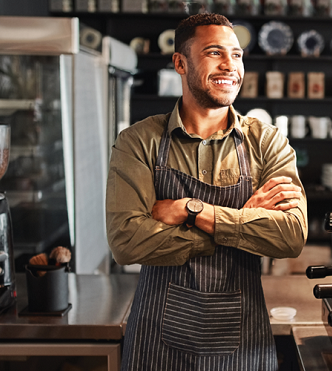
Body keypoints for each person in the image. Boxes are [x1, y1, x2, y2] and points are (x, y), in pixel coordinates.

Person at [105, 13, 307, 370]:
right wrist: (242, 219)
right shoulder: (138, 142)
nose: (230, 65)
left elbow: (291, 236)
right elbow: (126, 242)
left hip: (244, 344)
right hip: (157, 343)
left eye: (237, 54)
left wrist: (190, 211)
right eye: (215, 52)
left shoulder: (268, 142)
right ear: (180, 62)